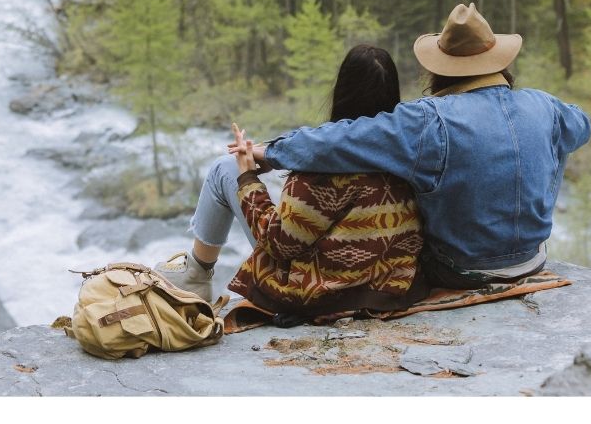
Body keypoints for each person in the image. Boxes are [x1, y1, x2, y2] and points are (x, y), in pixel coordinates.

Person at [231, 3, 591, 289]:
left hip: (460, 270)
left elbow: (340, 139)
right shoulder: (544, 105)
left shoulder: (430, 120)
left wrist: (269, 151)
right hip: (532, 259)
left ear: (441, 70)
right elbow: (581, 125)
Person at [157, 45, 425, 315]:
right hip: (389, 286)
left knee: (224, 167)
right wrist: (277, 156)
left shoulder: (321, 163)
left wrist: (247, 176)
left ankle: (196, 276)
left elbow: (281, 243)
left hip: (321, 293)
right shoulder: (409, 149)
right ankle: (195, 275)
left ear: (341, 91)